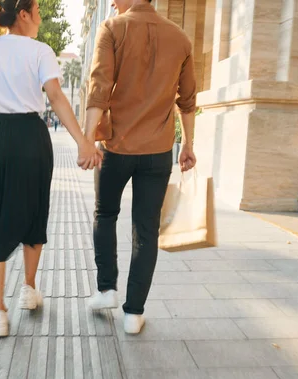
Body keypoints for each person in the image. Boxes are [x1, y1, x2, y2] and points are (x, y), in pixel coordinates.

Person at [0, 0, 102, 337]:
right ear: (23, 15)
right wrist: (83, 141)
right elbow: (56, 97)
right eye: (38, 10)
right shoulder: (41, 51)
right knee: (34, 210)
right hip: (32, 138)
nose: (41, 16)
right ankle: (28, 287)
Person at [82, 0, 197, 334]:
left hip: (115, 147)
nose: (113, 3)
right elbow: (187, 100)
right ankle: (134, 313)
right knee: (146, 229)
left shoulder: (112, 29)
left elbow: (98, 89)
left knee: (105, 214)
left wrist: (88, 139)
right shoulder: (181, 38)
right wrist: (188, 144)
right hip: (158, 151)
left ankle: (107, 290)